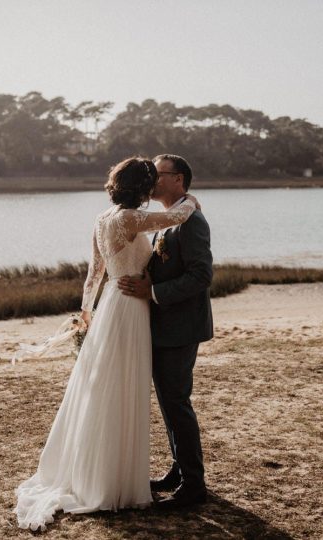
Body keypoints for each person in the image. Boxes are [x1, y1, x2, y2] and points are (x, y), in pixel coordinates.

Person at [12, 157, 200, 531]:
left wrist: (86, 313)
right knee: (121, 388)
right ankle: (113, 483)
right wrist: (192, 199)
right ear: (143, 189)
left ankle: (102, 475)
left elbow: (93, 274)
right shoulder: (131, 219)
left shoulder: (102, 219)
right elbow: (178, 217)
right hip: (130, 309)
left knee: (105, 388)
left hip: (112, 304)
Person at [118, 154, 213, 510]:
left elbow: (201, 276)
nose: (153, 180)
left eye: (159, 174)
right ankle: (179, 472)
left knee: (177, 404)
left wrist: (153, 292)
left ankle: (194, 486)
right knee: (169, 405)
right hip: (162, 327)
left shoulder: (192, 222)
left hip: (181, 327)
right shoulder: (167, 220)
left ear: (179, 180)